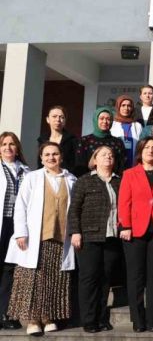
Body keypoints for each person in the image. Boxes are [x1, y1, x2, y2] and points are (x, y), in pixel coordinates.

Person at [6, 142, 77, 336]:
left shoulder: (71, 179)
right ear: (41, 158)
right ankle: (33, 319)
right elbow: (20, 205)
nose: (51, 158)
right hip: (35, 238)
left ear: (61, 157)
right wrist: (21, 232)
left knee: (54, 280)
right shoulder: (33, 177)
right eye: (47, 155)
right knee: (34, 279)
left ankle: (48, 317)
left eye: (55, 154)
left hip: (60, 239)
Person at [118, 137, 153, 332]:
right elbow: (124, 202)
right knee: (135, 275)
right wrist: (125, 225)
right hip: (134, 230)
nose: (151, 151)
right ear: (140, 151)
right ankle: (137, 319)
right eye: (147, 148)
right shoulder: (129, 174)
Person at [68, 145, 122, 333]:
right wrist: (75, 231)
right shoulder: (84, 181)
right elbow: (74, 208)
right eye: (103, 154)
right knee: (89, 278)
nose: (108, 157)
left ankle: (101, 318)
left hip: (111, 237)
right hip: (89, 236)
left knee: (105, 279)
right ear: (95, 159)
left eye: (111, 154)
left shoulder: (119, 181)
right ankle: (89, 320)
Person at [0, 132, 29, 330]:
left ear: (17, 148)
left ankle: (5, 313)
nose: (8, 147)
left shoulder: (27, 171)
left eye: (12, 144)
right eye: (4, 144)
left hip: (17, 226)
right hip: (1, 223)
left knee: (9, 270)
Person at [76, 107, 127, 176]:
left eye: (108, 119)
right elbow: (80, 166)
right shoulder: (84, 141)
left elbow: (121, 166)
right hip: (89, 180)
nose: (105, 121)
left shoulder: (118, 142)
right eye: (101, 118)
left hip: (112, 180)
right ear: (96, 120)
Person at [37, 105, 79, 175]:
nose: (58, 120)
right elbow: (40, 162)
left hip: (65, 176)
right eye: (54, 116)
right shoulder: (42, 140)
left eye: (61, 117)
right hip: (45, 176)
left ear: (65, 120)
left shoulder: (72, 140)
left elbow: (75, 163)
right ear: (47, 119)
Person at [110, 95, 143, 169]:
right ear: (118, 107)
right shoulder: (112, 125)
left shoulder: (137, 126)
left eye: (129, 106)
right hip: (116, 165)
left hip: (133, 164)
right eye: (123, 105)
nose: (126, 108)